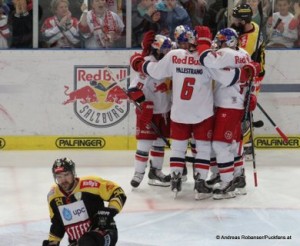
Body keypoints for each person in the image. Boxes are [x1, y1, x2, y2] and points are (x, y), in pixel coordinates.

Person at [130, 26, 255, 199]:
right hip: (203, 113)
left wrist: (140, 62)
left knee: (179, 147)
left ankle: (176, 178)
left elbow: (155, 71)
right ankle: (202, 183)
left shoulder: (175, 56)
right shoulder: (206, 60)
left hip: (179, 112)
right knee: (206, 148)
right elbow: (228, 78)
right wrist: (248, 73)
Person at [199, 28, 260, 199]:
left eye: (222, 40)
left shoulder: (227, 54)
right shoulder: (245, 54)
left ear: (231, 41)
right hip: (237, 104)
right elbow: (251, 78)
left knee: (219, 145)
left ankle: (228, 183)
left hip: (229, 105)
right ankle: (239, 177)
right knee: (232, 145)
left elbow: (207, 60)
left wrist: (202, 44)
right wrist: (252, 94)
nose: (219, 44)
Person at [43, 158, 126, 246]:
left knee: (87, 241)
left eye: (66, 175)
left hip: (104, 232)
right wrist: (53, 242)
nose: (63, 180)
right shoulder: (53, 196)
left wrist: (110, 211)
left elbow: (118, 192)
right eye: (59, 176)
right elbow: (57, 223)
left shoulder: (90, 183)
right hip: (77, 242)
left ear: (73, 173)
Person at [128, 32, 172, 188]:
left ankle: (156, 172)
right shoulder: (148, 64)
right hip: (148, 113)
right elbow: (133, 89)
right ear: (157, 50)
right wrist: (143, 104)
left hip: (163, 112)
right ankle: (138, 173)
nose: (168, 53)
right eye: (165, 50)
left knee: (159, 144)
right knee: (144, 144)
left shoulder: (168, 64)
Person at [231, 3, 266, 161]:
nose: (234, 21)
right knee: (244, 109)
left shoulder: (248, 41)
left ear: (244, 21)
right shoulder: (254, 26)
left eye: (237, 19)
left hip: (253, 76)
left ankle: (247, 147)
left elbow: (238, 61)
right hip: (252, 73)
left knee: (243, 109)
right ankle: (247, 143)